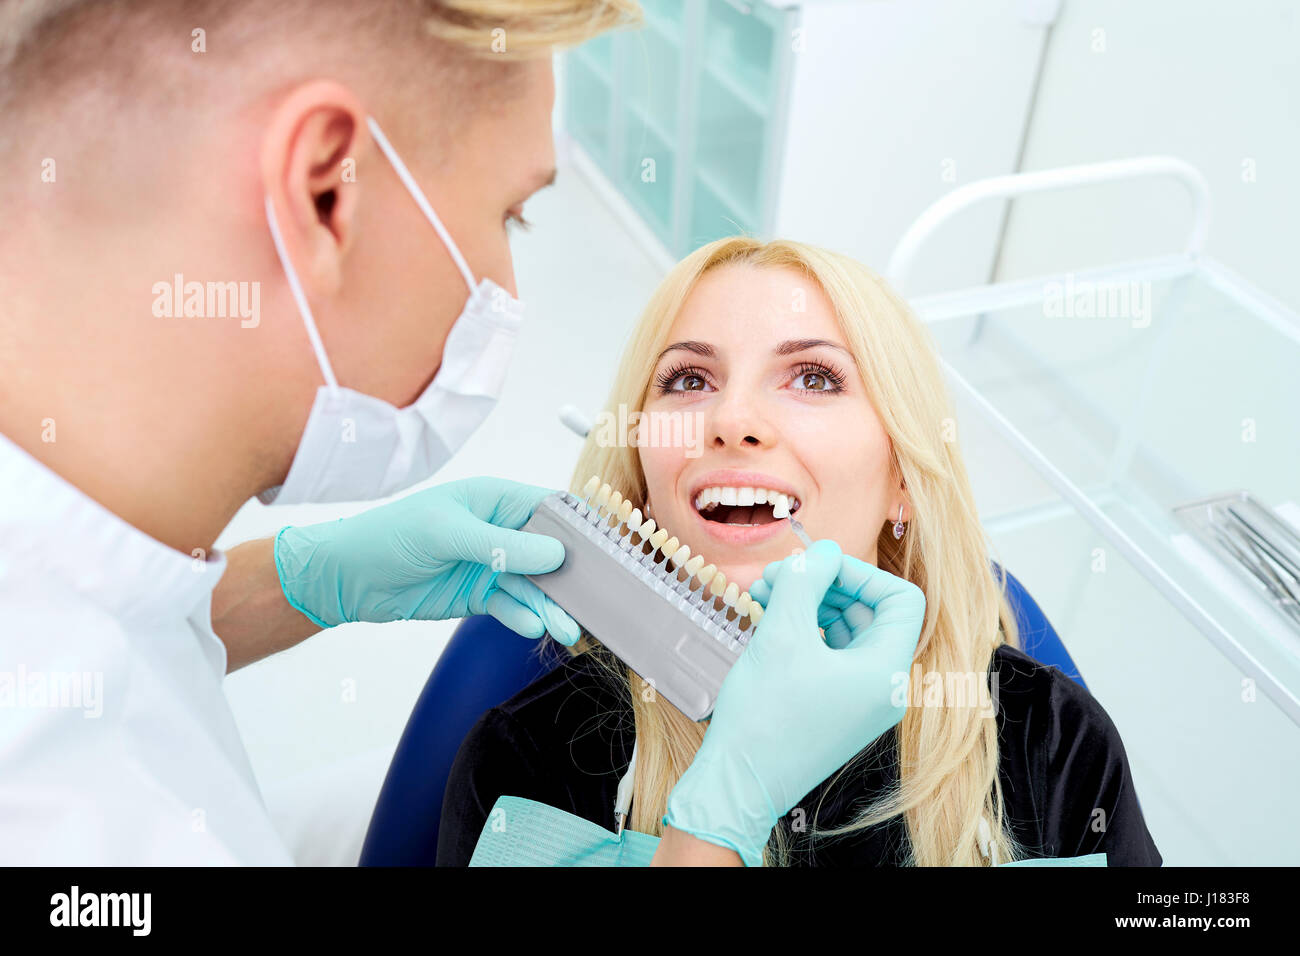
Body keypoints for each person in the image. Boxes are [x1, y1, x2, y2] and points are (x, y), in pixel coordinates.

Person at [0, 1, 905, 868]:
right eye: (508, 211)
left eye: (815, 377)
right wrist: (718, 823)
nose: (506, 278)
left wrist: (294, 581)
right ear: (326, 191)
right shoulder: (89, 825)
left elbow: (103, 638)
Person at [437, 237, 1163, 866]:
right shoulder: (530, 763)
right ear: (642, 483)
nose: (732, 420)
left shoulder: (1057, 750)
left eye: (814, 377)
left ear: (902, 480)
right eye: (690, 379)